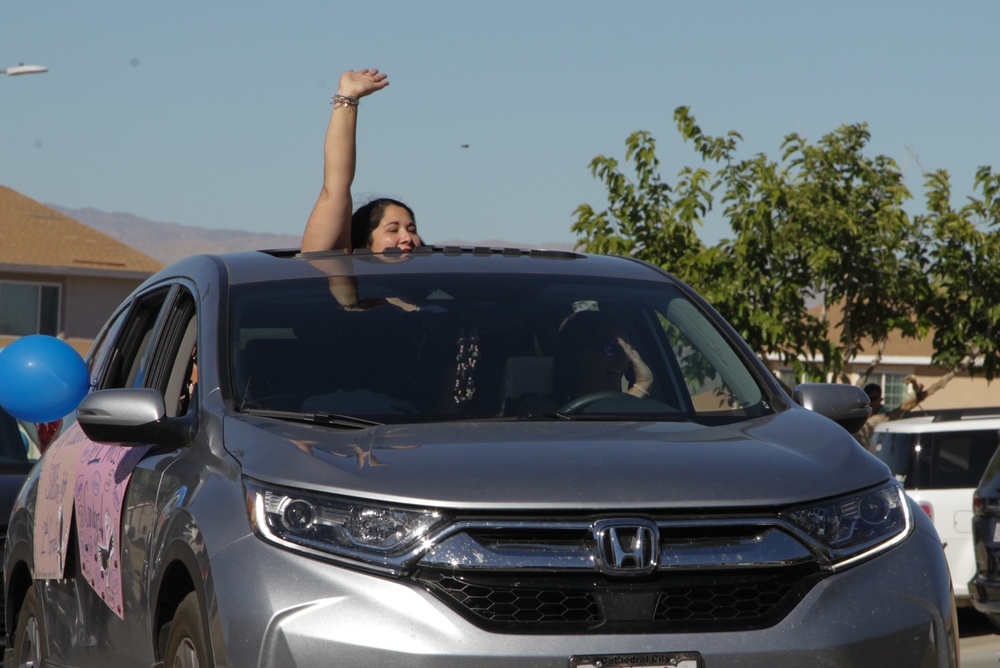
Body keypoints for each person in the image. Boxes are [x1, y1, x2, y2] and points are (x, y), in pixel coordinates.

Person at [302, 68, 423, 254]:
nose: (408, 238)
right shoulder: (344, 280)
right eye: (392, 229)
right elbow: (335, 188)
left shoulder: (438, 280)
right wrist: (348, 96)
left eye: (412, 230)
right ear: (364, 244)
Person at [553, 311, 654, 403]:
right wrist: (641, 387)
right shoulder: (543, 412)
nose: (621, 359)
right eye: (610, 348)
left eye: (626, 352)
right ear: (577, 351)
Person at [855, 382, 887, 449]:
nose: (870, 402)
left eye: (873, 399)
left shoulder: (886, 416)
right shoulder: (858, 415)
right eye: (868, 398)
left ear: (880, 399)